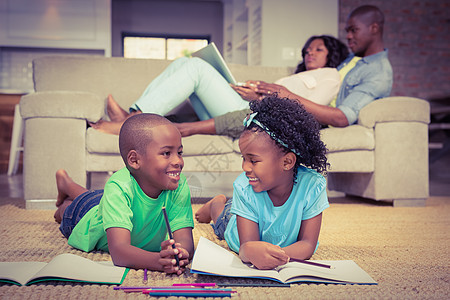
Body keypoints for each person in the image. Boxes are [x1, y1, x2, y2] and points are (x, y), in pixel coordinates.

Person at [175, 4, 393, 138]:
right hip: (289, 110)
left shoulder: (377, 72)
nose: (348, 36)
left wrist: (283, 95)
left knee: (195, 68)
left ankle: (170, 124)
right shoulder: (351, 61)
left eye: (353, 30)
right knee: (186, 67)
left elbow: (342, 117)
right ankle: (163, 123)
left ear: (374, 28)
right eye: (347, 31)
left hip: (305, 119)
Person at [89, 35, 349, 136]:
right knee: (185, 64)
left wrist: (262, 97)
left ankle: (131, 121)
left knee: (195, 68)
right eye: (307, 50)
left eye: (318, 49)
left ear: (332, 54)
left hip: (253, 116)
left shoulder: (330, 76)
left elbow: (305, 110)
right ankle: (135, 116)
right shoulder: (297, 75)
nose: (309, 54)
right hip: (248, 104)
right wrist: (254, 93)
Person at [195, 95, 329, 270]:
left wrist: (276, 256)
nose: (244, 167)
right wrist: (251, 251)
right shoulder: (244, 186)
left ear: (287, 162)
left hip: (261, 225)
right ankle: (216, 204)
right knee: (223, 220)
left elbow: (307, 244)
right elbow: (246, 247)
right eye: (243, 158)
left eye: (253, 160)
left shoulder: (312, 185)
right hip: (235, 221)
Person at [53, 113, 194, 275]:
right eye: (166, 153)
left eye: (180, 152)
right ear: (134, 160)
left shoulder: (178, 183)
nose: (178, 161)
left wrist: (181, 253)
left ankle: (67, 184)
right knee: (74, 208)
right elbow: (119, 253)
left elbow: (185, 241)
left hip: (111, 201)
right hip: (85, 216)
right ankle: (65, 189)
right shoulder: (118, 187)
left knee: (97, 198)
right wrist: (158, 262)